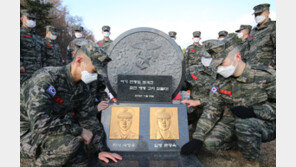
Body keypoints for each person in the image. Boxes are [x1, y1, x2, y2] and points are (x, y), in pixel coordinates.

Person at [20, 44, 122, 166]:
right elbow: (39, 123)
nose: (95, 76)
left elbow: (88, 118)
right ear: (79, 61)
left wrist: (101, 150)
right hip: (27, 134)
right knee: (71, 143)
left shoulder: (82, 88)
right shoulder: (46, 79)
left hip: (52, 131)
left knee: (82, 158)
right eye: (94, 71)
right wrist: (78, 130)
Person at [181, 44, 275, 167]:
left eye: (222, 63)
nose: (219, 68)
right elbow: (212, 109)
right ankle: (240, 147)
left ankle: (251, 160)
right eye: (216, 65)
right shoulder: (221, 81)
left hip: (265, 121)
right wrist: (198, 137)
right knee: (209, 142)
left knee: (244, 124)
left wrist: (254, 111)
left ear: (237, 57)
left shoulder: (265, 76)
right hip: (232, 120)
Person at [181, 37, 237, 154]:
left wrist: (200, 101)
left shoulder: (222, 73)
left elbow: (217, 102)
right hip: (194, 107)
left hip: (211, 110)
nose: (206, 60)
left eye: (209, 58)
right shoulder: (193, 70)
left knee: (208, 140)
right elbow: (184, 85)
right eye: (204, 57)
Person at [243, 3, 276, 69]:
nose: (257, 16)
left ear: (268, 13)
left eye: (259, 14)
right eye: (255, 14)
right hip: (251, 68)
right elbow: (248, 47)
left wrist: (273, 65)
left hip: (266, 69)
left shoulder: (274, 26)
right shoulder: (253, 30)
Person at [20, 9, 45, 85]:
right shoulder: (19, 33)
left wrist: (43, 67)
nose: (31, 20)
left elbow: (42, 53)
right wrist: (20, 65)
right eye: (29, 18)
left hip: (37, 71)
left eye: (33, 19)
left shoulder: (37, 36)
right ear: (22, 19)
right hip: (24, 71)